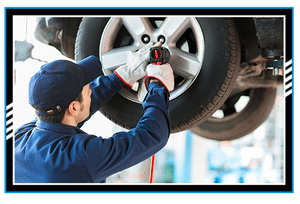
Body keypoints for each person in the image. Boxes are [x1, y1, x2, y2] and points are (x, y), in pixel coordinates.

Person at [14, 43, 174, 183]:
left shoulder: (19, 140)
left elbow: (70, 115)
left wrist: (121, 77)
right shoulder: (79, 158)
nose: (91, 89)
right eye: (88, 88)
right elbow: (152, 136)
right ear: (74, 107)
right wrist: (157, 85)